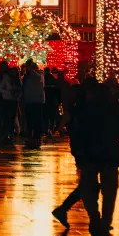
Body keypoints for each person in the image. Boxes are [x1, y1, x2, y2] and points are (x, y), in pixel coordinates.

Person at [70, 76, 119, 236]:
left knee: (88, 188)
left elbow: (76, 132)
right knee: (109, 191)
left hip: (89, 154)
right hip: (109, 154)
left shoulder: (83, 109)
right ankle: (105, 222)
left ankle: (94, 216)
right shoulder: (113, 108)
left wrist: (77, 153)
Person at [52, 79, 92, 227]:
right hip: (84, 148)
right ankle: (65, 209)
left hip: (80, 146)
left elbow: (65, 120)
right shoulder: (80, 108)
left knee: (88, 183)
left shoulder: (74, 107)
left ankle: (94, 217)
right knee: (88, 183)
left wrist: (58, 129)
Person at [21, 60, 45, 147]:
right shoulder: (28, 77)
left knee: (36, 120)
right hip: (30, 100)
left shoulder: (39, 75)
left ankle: (36, 138)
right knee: (30, 120)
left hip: (36, 101)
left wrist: (28, 66)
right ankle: (31, 137)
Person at [0, 63, 21, 142]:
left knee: (12, 118)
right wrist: (9, 92)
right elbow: (1, 89)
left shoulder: (18, 80)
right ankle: (5, 135)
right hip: (7, 100)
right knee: (6, 118)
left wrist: (17, 95)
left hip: (13, 101)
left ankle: (10, 134)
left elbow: (20, 90)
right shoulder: (6, 78)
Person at [44, 68, 61, 136]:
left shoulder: (44, 79)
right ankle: (51, 129)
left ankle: (46, 130)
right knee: (52, 116)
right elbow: (58, 91)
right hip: (53, 101)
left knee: (46, 116)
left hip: (46, 100)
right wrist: (58, 101)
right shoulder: (54, 80)